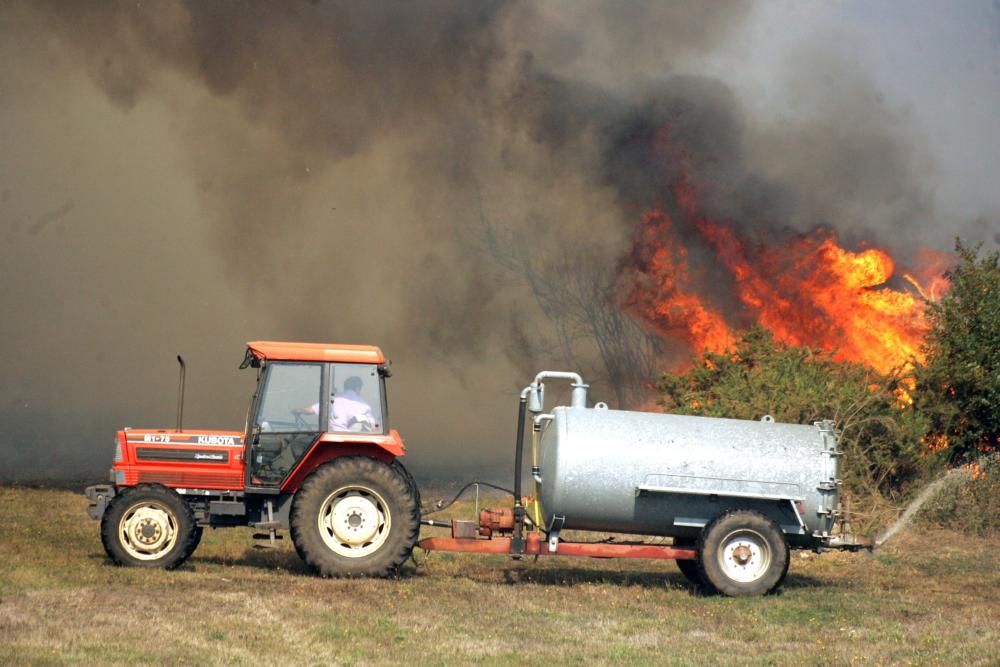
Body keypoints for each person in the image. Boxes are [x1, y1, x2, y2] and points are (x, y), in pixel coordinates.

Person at [300, 376, 378, 432]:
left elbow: (310, 410)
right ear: (358, 388)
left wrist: (297, 410)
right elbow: (373, 427)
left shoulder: (333, 399)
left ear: (344, 386)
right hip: (355, 441)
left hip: (334, 438)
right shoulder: (364, 405)